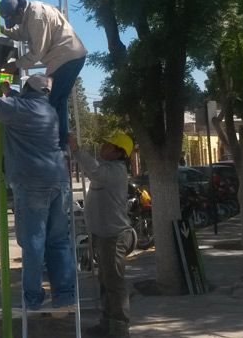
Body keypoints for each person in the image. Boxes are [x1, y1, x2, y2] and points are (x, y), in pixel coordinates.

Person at [0, 72, 75, 313]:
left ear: (27, 91)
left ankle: (33, 298)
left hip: (32, 182)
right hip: (59, 180)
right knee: (58, 240)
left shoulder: (19, 110)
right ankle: (64, 294)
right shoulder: (49, 110)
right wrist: (10, 91)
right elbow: (23, 102)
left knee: (34, 243)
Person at [0, 0, 87, 150]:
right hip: (69, 56)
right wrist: (3, 30)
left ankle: (54, 146)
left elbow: (36, 54)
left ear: (20, 10)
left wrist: (15, 65)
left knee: (45, 102)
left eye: (14, 19)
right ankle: (60, 142)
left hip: (66, 57)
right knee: (57, 101)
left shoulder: (37, 17)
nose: (15, 23)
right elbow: (22, 34)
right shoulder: (27, 14)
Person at [68, 132, 136, 338]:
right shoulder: (109, 168)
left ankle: (120, 329)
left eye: (108, 145)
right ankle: (107, 324)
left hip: (114, 236)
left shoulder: (115, 170)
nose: (103, 147)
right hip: (104, 236)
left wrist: (76, 149)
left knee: (114, 284)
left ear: (119, 152)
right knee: (106, 282)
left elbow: (94, 170)